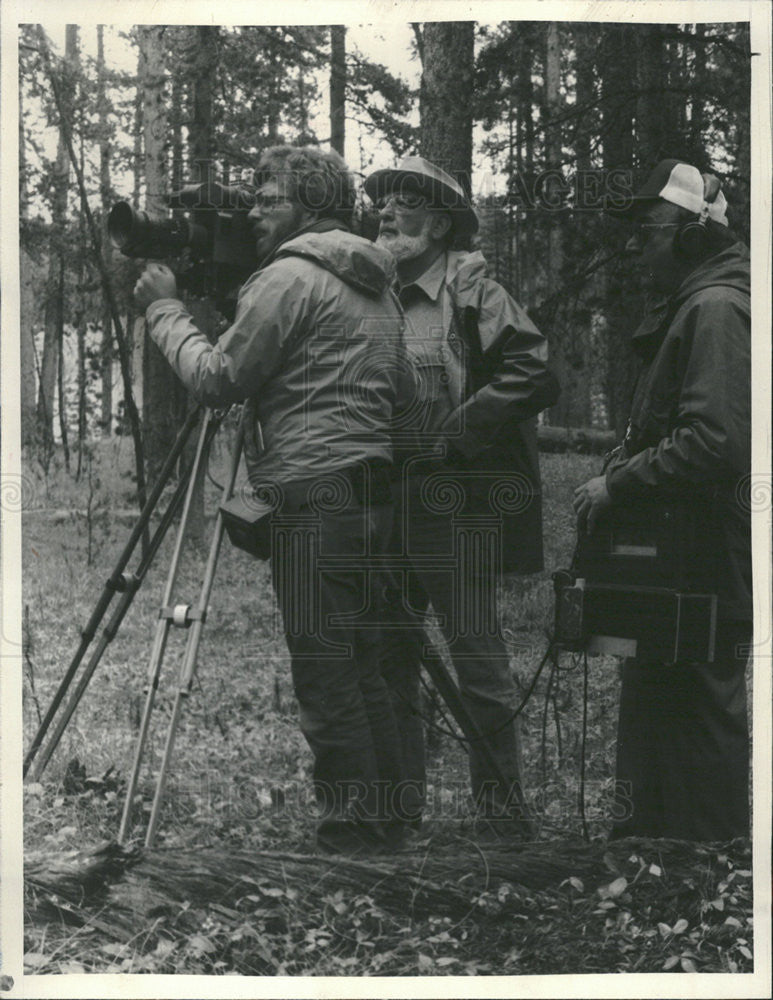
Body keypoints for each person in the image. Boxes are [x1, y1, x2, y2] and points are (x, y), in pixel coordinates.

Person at [133, 145, 412, 855]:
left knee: (324, 668)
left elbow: (220, 378)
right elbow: (397, 389)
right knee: (362, 661)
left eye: (269, 197)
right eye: (252, 197)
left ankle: (353, 831)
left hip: (315, 493)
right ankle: (389, 817)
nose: (253, 209)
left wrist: (165, 310)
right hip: (371, 491)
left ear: (312, 206)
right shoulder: (376, 282)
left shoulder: (288, 277)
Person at [363, 156, 560, 834]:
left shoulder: (471, 289)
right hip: (387, 499)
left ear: (440, 223)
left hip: (454, 501)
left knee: (475, 654)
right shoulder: (373, 290)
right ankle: (398, 810)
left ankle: (502, 814)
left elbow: (534, 371)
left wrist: (458, 431)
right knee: (388, 651)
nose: (386, 213)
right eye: (381, 202)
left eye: (404, 202)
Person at [573, 159, 752, 840]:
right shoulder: (695, 303)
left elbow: (713, 439)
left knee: (700, 698)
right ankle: (651, 849)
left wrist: (616, 483)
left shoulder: (714, 308)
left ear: (689, 234)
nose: (633, 246)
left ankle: (707, 862)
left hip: (705, 543)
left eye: (645, 230)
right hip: (680, 542)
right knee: (659, 686)